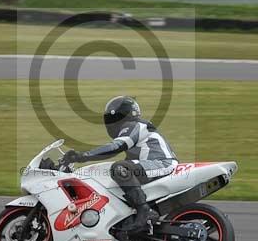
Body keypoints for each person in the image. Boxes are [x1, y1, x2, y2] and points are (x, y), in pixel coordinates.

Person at [61, 96, 178, 233]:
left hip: (160, 164)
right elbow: (112, 151)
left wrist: (83, 156)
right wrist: (83, 158)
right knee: (113, 171)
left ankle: (144, 210)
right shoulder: (137, 128)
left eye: (115, 118)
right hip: (154, 165)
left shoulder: (135, 126)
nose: (112, 123)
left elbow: (116, 146)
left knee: (119, 168)